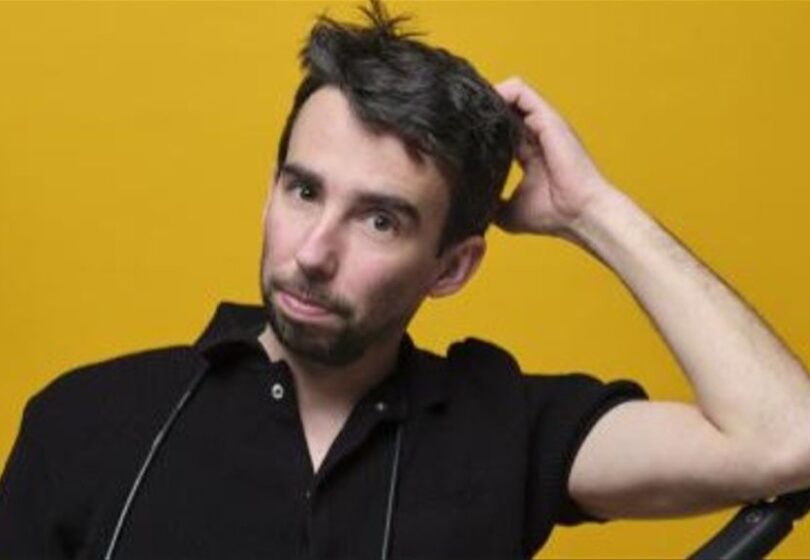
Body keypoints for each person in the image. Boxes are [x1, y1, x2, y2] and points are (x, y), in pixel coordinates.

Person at [1, 2, 809, 558]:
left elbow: (788, 440)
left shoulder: (503, 428)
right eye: (304, 190)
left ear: (452, 267)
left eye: (380, 220)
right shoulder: (86, 423)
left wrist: (590, 210)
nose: (314, 252)